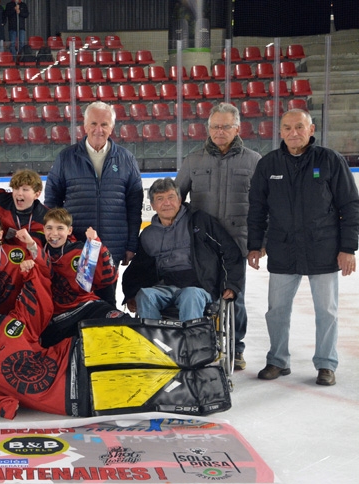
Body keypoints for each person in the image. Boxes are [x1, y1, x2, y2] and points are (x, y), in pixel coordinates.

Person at [247, 109, 359, 386]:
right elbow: (258, 209)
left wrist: (348, 248)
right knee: (277, 311)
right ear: (280, 132)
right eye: (287, 128)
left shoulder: (330, 161)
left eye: (299, 127)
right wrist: (254, 244)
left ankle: (326, 364)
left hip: (324, 248)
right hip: (283, 248)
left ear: (311, 129)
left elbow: (350, 206)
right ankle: (277, 360)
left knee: (327, 311)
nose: (293, 132)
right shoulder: (269, 164)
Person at [174, 102, 261, 371]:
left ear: (237, 128)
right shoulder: (193, 160)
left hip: (237, 242)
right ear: (207, 128)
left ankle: (236, 348)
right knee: (204, 294)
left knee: (235, 297)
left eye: (225, 126)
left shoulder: (254, 161)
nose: (219, 131)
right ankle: (206, 343)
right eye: (214, 126)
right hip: (202, 245)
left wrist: (260, 242)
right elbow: (177, 200)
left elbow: (263, 205)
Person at [0, 257, 91, 419]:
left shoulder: (9, 327)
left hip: (71, 358)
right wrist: (1, 406)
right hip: (70, 399)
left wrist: (30, 274)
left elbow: (33, 305)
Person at [45, 101, 144, 307]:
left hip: (112, 246)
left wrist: (131, 244)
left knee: (107, 302)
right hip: (75, 246)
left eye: (104, 124)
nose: (99, 130)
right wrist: (56, 239)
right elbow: (52, 203)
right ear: (84, 125)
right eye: (94, 124)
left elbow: (135, 207)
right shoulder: (66, 157)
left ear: (112, 127)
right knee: (76, 301)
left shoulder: (126, 159)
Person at [122, 178, 244, 323]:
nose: (166, 203)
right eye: (160, 199)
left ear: (179, 200)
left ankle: (193, 344)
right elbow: (137, 269)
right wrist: (131, 294)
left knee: (190, 295)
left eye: (171, 197)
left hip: (199, 287)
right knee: (145, 295)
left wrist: (230, 284)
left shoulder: (199, 222)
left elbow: (229, 251)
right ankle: (154, 342)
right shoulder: (148, 235)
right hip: (164, 287)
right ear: (153, 205)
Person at [37, 208, 124, 347]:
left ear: (69, 231)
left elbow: (107, 278)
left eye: (60, 228)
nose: (54, 233)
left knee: (123, 321)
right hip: (58, 318)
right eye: (49, 228)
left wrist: (96, 243)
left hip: (86, 306)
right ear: (43, 229)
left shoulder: (81, 250)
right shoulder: (37, 251)